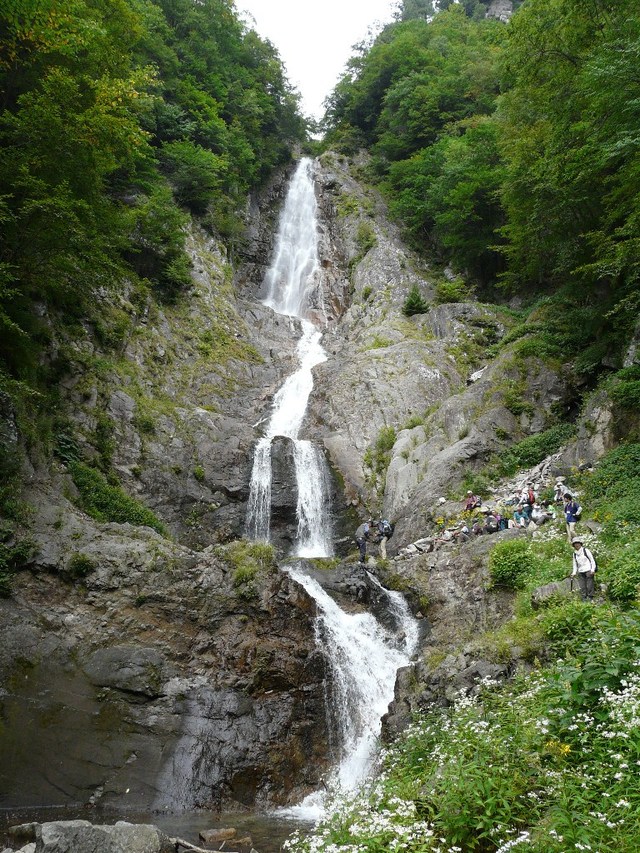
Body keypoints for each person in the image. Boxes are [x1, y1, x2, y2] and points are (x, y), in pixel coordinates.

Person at [570, 536, 597, 601]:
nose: (576, 545)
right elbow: (575, 564)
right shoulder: (574, 554)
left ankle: (591, 598)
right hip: (580, 571)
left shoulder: (585, 550)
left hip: (588, 570)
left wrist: (593, 569)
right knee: (582, 586)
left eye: (577, 543)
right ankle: (584, 598)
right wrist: (574, 572)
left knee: (589, 585)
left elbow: (592, 560)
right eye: (575, 544)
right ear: (573, 545)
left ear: (580, 543)